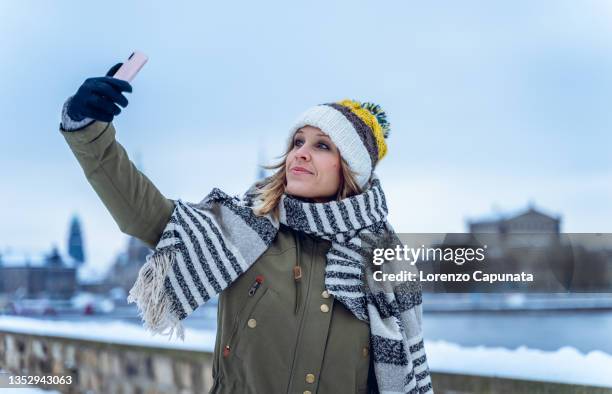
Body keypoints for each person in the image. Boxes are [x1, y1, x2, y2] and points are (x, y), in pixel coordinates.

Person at [59, 63, 433, 394]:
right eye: (297, 141)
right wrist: (89, 131)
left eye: (322, 146)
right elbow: (145, 213)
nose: (300, 152)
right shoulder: (244, 229)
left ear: (351, 170)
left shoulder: (385, 265)